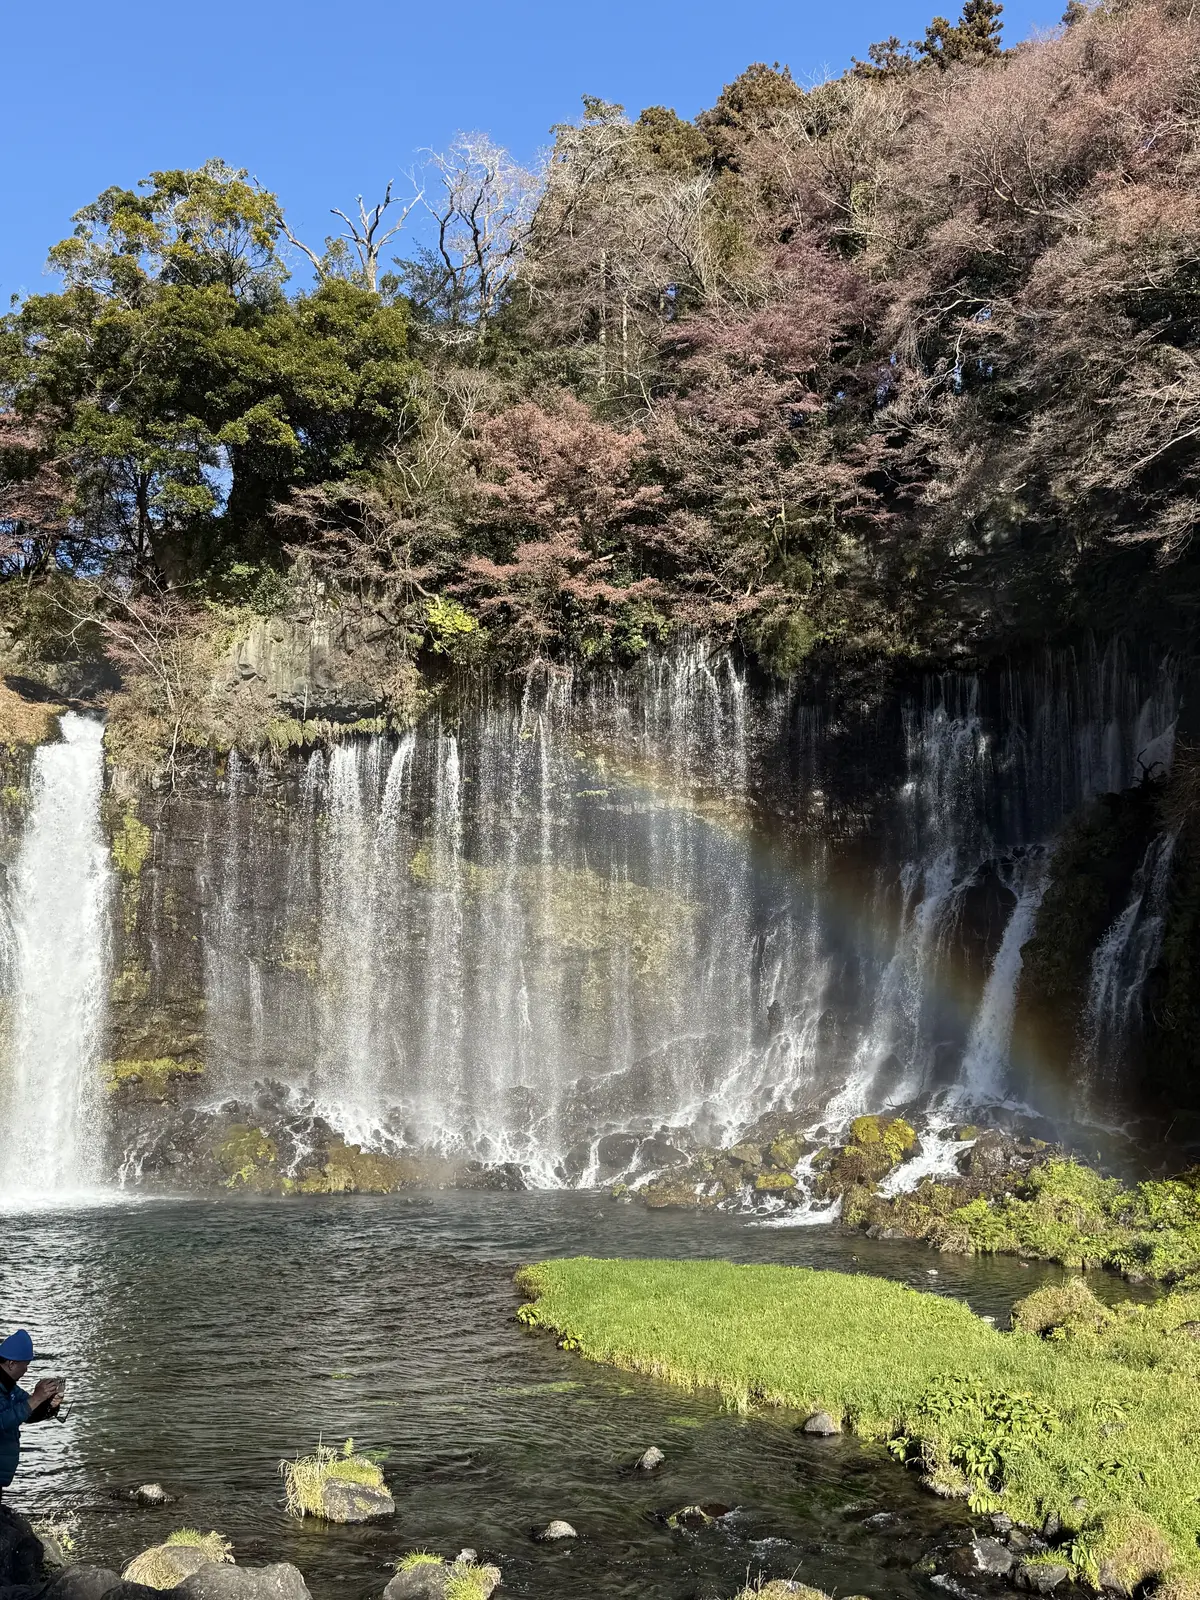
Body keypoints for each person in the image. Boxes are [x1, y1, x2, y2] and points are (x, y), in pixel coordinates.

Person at [0, 1330, 64, 1502]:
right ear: (12, 1363)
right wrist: (37, 1398)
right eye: (25, 1365)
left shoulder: (10, 1388)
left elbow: (27, 1413)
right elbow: (2, 1421)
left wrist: (49, 1404)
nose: (26, 1371)